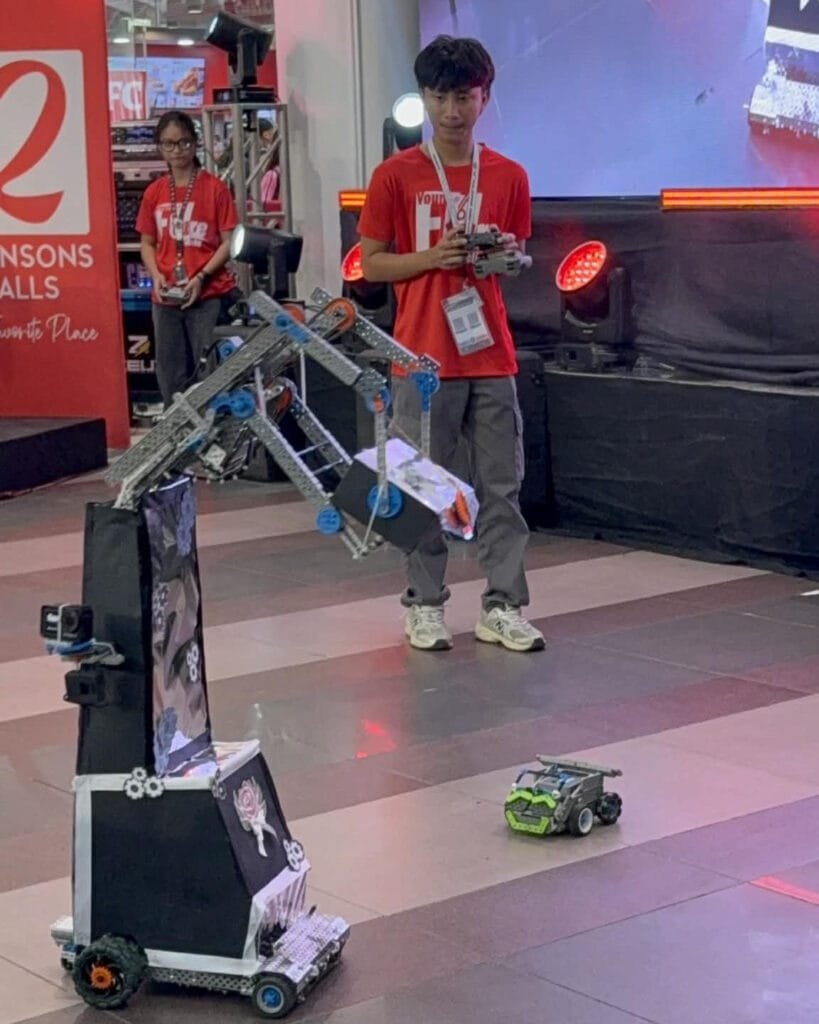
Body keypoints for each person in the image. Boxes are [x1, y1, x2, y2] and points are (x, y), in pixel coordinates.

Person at [358, 35, 545, 654]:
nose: (452, 111)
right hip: (420, 354)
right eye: (439, 97)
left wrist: (503, 257)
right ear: (424, 98)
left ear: (484, 97)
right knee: (422, 485)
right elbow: (371, 264)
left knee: (501, 487)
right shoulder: (395, 175)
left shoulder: (509, 175)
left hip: (490, 354)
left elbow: (516, 255)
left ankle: (503, 606)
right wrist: (431, 258)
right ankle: (424, 604)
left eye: (463, 97)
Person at [137, 111, 238, 406]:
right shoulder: (154, 192)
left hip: (207, 294)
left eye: (183, 142)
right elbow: (147, 243)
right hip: (166, 297)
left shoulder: (215, 189)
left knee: (210, 374)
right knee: (170, 378)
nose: (177, 151)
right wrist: (156, 275)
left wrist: (202, 276)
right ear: (160, 147)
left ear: (195, 144)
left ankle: (213, 428)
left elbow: (229, 242)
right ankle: (177, 430)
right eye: (168, 144)